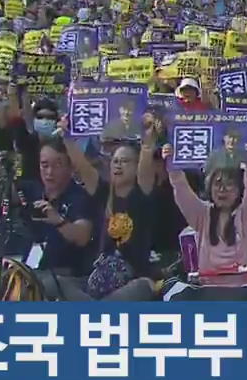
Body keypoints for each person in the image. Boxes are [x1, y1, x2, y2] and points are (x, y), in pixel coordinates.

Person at [52, 120, 158, 301]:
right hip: (99, 278)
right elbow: (82, 165)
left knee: (141, 287)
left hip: (132, 280)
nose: (118, 165)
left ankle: (94, 311)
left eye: (125, 161)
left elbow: (146, 161)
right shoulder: (103, 192)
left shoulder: (141, 193)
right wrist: (67, 136)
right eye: (115, 161)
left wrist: (148, 143)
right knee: (55, 283)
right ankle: (97, 310)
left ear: (136, 167)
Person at [163, 143, 247, 300]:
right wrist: (172, 163)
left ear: (239, 189)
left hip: (245, 291)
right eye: (218, 184)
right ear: (209, 187)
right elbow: (181, 190)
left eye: (229, 185)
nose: (222, 190)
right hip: (208, 291)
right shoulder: (202, 214)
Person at [19, 137, 97, 288]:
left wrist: (59, 221)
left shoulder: (80, 197)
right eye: (44, 165)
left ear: (70, 166)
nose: (49, 172)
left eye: (57, 165)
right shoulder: (33, 190)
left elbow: (82, 236)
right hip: (30, 270)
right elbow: (3, 200)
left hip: (66, 275)